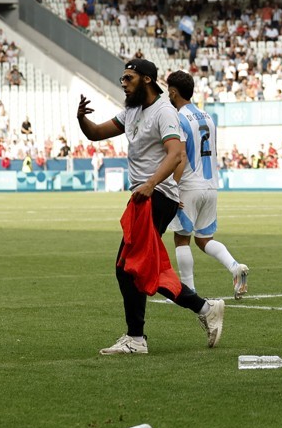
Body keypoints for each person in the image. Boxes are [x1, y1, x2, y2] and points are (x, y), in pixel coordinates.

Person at [77, 59, 224, 355]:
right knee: (136, 268)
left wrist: (151, 184)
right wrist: (81, 118)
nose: (123, 82)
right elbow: (95, 133)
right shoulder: (131, 112)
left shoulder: (165, 111)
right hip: (146, 196)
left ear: (146, 79)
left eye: (128, 77)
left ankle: (137, 337)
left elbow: (176, 154)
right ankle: (204, 308)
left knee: (128, 267)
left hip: (156, 197)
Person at [164, 71, 249, 298]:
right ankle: (234, 267)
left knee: (181, 238)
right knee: (204, 240)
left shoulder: (178, 118)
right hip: (211, 185)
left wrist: (173, 188)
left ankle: (188, 291)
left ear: (173, 92)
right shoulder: (208, 117)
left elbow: (180, 156)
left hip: (190, 186)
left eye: (168, 91)